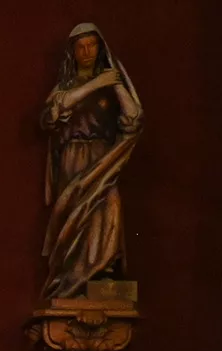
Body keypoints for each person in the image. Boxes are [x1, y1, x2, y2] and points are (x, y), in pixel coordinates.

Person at [38, 22, 143, 300]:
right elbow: (51, 114)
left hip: (104, 158)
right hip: (74, 159)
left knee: (109, 207)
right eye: (80, 46)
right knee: (74, 216)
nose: (86, 51)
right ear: (73, 52)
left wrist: (116, 83)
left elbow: (133, 119)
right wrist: (96, 83)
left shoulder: (112, 85)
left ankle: (103, 273)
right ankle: (72, 277)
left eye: (92, 45)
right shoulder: (66, 87)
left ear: (100, 47)